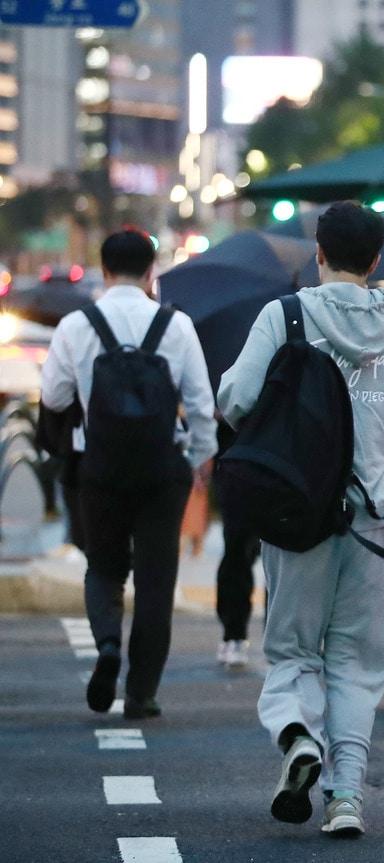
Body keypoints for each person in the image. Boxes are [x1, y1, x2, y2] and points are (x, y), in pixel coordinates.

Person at [218, 201, 384, 837]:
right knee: (360, 660)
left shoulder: (283, 315)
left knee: (292, 646)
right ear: (376, 260)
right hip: (377, 511)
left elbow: (236, 398)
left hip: (300, 509)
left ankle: (298, 739)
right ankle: (346, 798)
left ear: (318, 251)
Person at [40, 229, 217, 719]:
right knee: (157, 581)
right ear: (151, 270)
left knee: (104, 564)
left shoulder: (77, 324)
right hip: (163, 469)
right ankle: (141, 692)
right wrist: (201, 458)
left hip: (100, 465)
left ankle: (107, 645)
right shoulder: (174, 325)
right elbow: (202, 404)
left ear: (103, 266)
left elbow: (53, 397)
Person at [214, 420, 261, 669]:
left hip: (239, 457)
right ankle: (234, 633)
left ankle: (234, 635)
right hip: (245, 456)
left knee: (238, 550)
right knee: (239, 551)